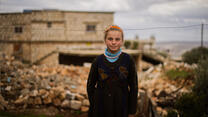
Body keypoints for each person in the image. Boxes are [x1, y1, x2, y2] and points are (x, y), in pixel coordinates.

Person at [87, 25, 138, 117]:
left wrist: (132, 111)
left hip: (121, 108)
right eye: (110, 39)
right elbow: (90, 86)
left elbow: (134, 86)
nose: (114, 42)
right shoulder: (98, 61)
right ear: (105, 40)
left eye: (117, 39)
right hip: (100, 109)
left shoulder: (128, 60)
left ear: (122, 41)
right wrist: (94, 105)